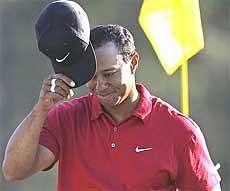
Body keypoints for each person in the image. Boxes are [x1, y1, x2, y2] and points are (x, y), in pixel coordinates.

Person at [2, 23, 221, 190]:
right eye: (92, 77)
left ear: (133, 62)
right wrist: (41, 109)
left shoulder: (180, 132)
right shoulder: (65, 118)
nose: (101, 86)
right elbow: (13, 171)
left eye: (109, 74)